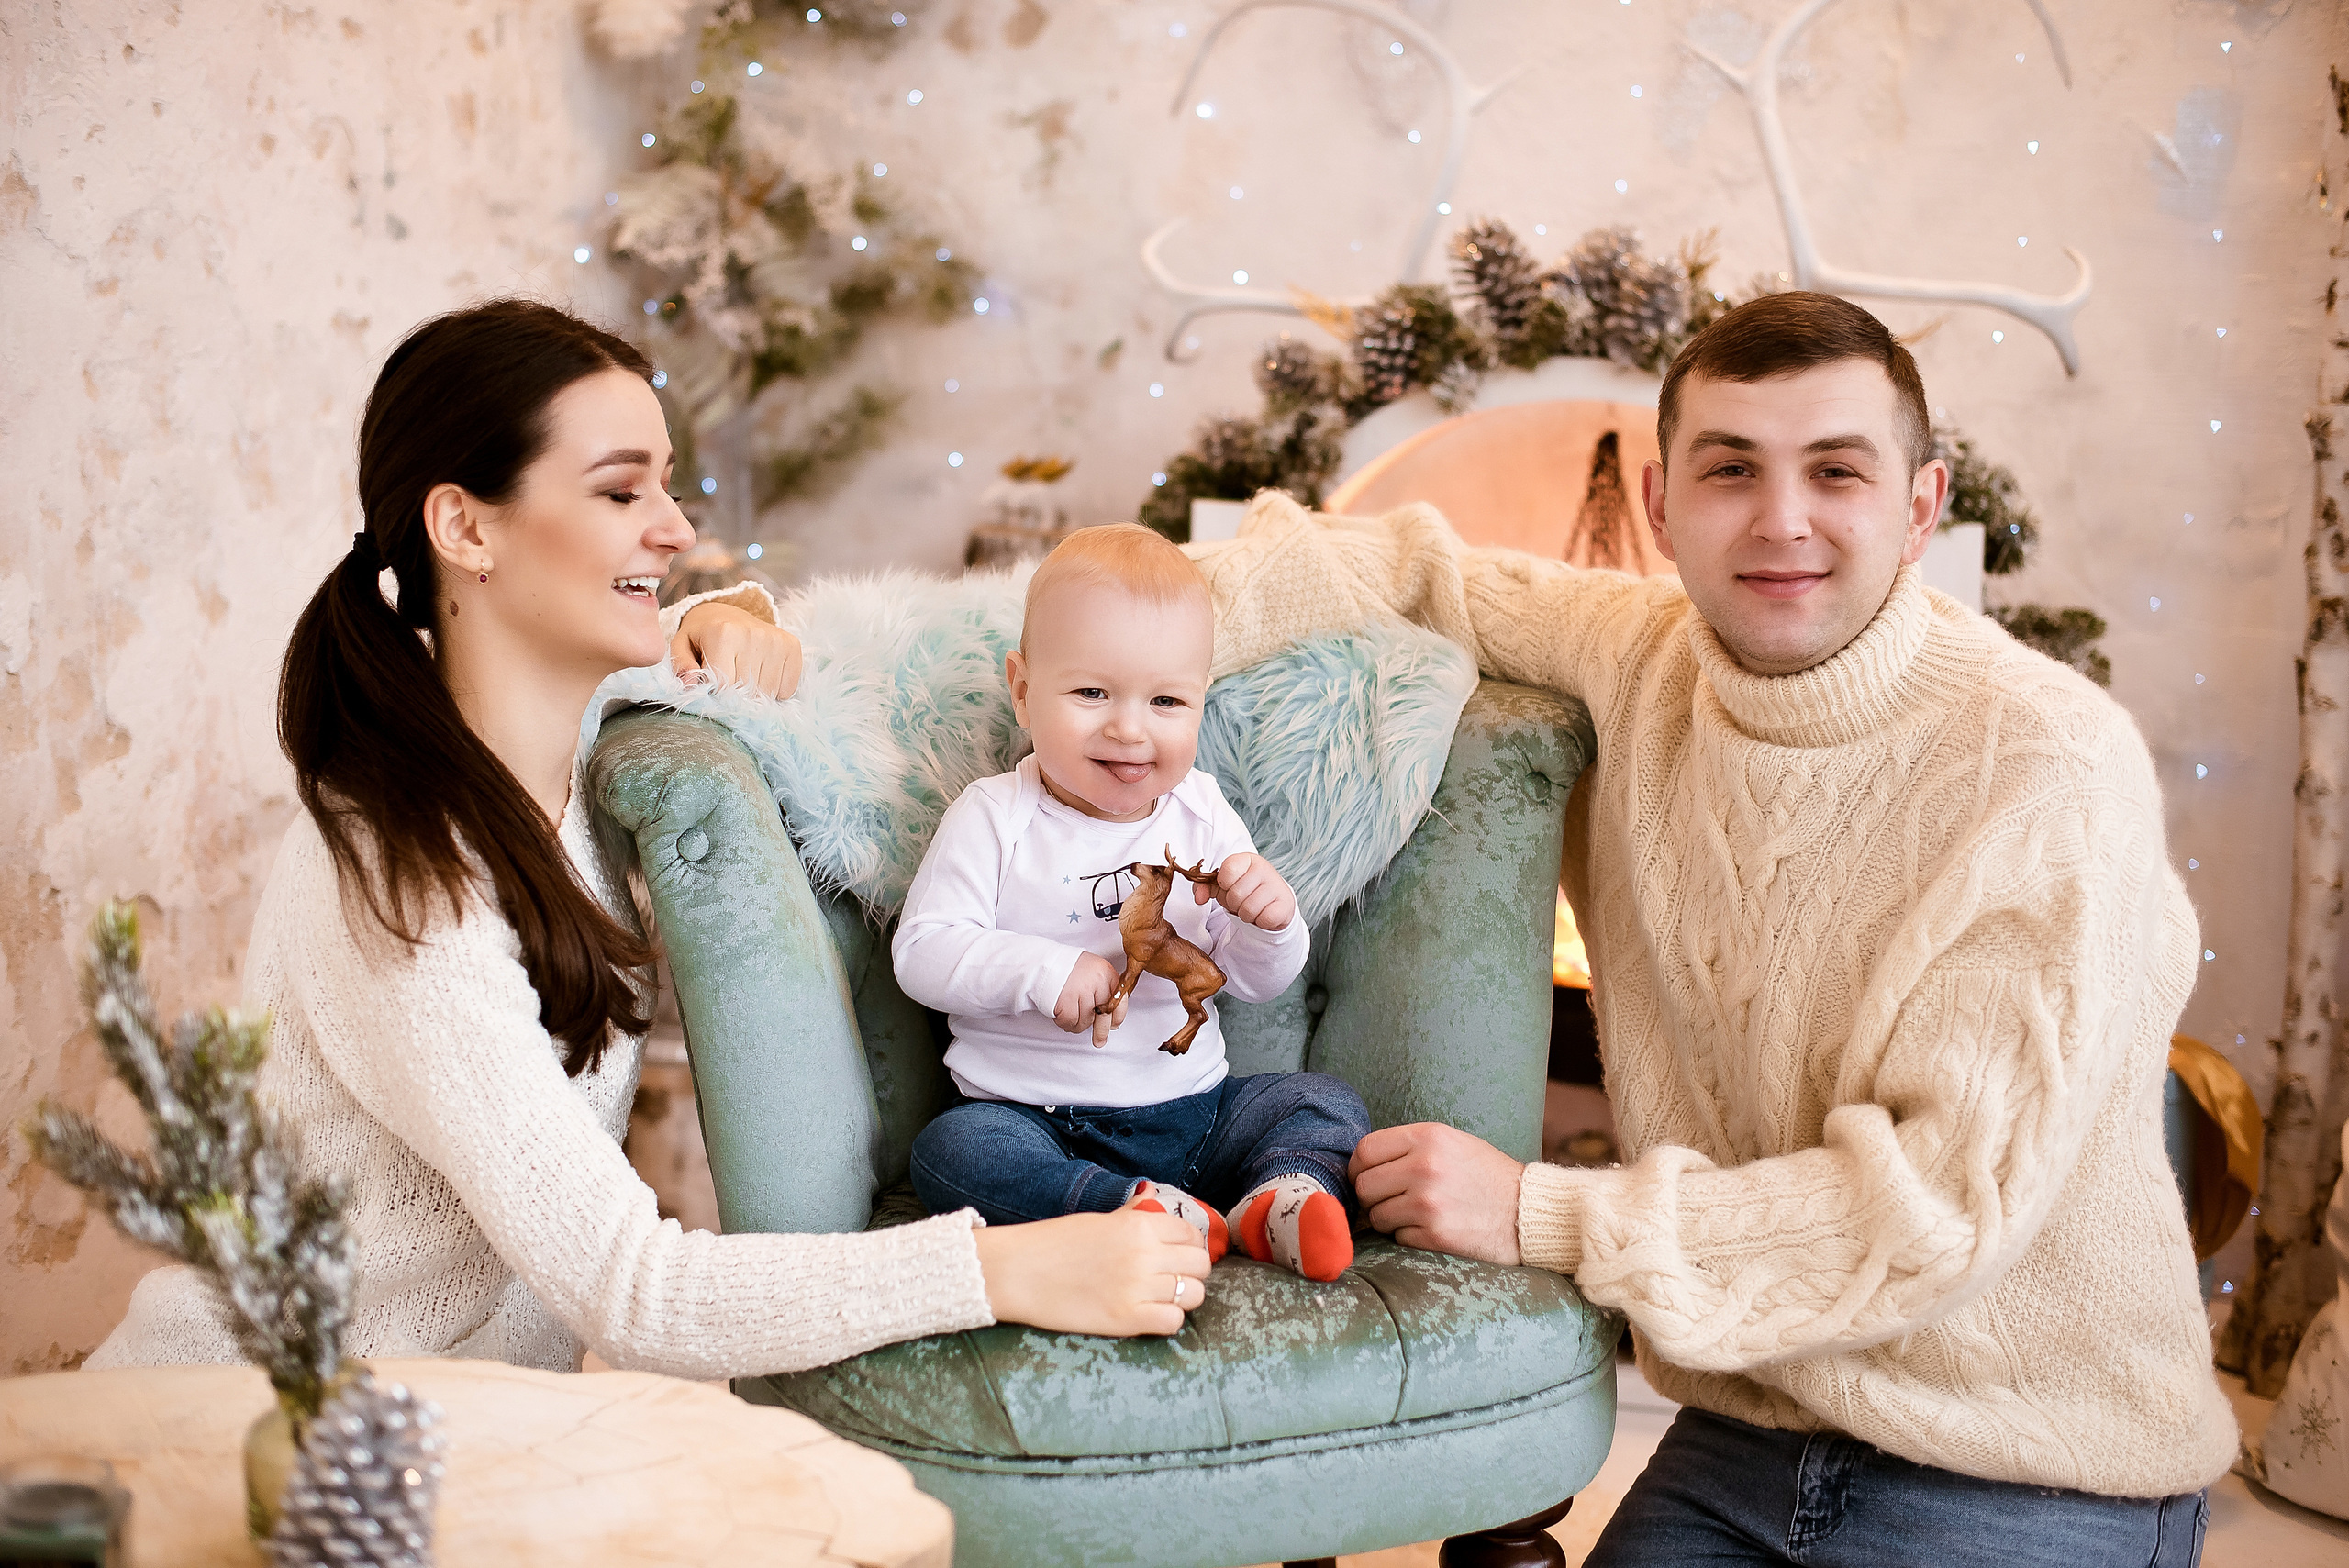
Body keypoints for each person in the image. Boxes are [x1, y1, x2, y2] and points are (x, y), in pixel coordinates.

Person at [1195, 292, 2231, 1565]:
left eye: (1836, 471)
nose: (1781, 518)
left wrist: (1539, 1212)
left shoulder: (2046, 764)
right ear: (1661, 500)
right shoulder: (1635, 655)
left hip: (2031, 1465)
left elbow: (1932, 1209)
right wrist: (1087, 667)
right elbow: (1396, 563)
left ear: (1921, 506)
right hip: (1751, 1432)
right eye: (1731, 468)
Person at [88, 299, 1209, 1381]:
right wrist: (1007, 1266)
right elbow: (634, 1290)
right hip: (270, 1426)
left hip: (456, 1424)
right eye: (622, 489)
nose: (674, 528)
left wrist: (737, 613)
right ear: (465, 527)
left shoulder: (565, 731)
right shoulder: (403, 874)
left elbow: (702, 626)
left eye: (668, 484)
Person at [895, 524, 1370, 1282]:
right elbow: (922, 951)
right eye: (1091, 692)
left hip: (1198, 1115)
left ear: (1200, 705)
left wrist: (1272, 921)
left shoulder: (1201, 811)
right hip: (1033, 1119)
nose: (1128, 727)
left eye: (1166, 700)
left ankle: (1281, 1196)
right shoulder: (994, 816)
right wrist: (1044, 971)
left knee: (1323, 1102)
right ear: (1023, 690)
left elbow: (1254, 980)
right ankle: (1124, 1208)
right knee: (952, 1153)